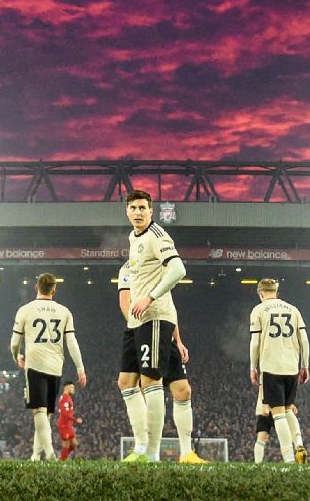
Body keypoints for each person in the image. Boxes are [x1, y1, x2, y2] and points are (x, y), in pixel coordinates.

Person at [118, 189, 188, 463]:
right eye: (133, 208)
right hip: (137, 320)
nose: (137, 212)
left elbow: (179, 270)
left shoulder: (157, 235)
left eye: (142, 208)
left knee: (151, 380)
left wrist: (149, 296)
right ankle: (140, 446)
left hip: (156, 316)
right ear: (127, 211)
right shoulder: (133, 237)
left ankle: (153, 453)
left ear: (151, 211)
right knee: (126, 382)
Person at [118, 267, 206, 463]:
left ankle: (186, 453)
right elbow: (125, 302)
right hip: (144, 329)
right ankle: (145, 448)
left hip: (165, 330)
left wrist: (179, 340)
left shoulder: (161, 268)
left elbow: (170, 308)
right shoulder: (127, 269)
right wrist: (137, 329)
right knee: (143, 383)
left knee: (183, 391)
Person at [11, 272, 86, 460]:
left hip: (35, 364)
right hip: (55, 366)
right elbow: (72, 342)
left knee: (39, 411)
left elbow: (14, 342)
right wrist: (80, 368)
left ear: (36, 287)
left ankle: (50, 452)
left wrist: (16, 356)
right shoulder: (64, 311)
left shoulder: (25, 310)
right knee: (46, 414)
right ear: (54, 289)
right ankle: (36, 455)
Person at [249, 277, 310, 464]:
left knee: (279, 415)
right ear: (277, 292)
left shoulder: (258, 310)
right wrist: (305, 365)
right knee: (287, 409)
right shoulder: (293, 309)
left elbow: (255, 343)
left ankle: (289, 459)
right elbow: (305, 340)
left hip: (271, 366)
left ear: (260, 293)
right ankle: (298, 442)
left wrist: (253, 366)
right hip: (291, 366)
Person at [56, 380, 81, 460]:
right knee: (66, 444)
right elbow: (65, 413)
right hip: (64, 425)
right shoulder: (65, 398)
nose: (74, 389)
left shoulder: (67, 397)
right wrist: (76, 420)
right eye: (72, 387)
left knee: (74, 444)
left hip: (68, 425)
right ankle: (62, 461)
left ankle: (62, 459)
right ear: (67, 387)